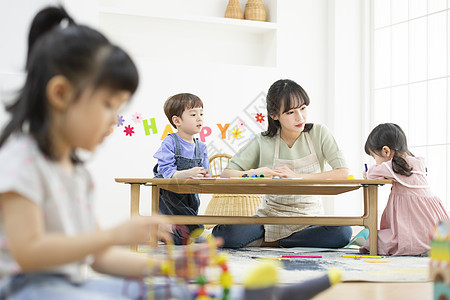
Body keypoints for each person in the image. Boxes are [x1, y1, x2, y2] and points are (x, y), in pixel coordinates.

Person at [0, 7, 209, 299]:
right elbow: (30, 254)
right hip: (24, 288)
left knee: (170, 291)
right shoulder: (21, 162)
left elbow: (100, 258)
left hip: (67, 286)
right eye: (109, 105)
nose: (114, 119)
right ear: (60, 94)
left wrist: (170, 267)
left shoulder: (77, 175)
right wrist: (113, 235)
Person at [212, 79, 352, 249]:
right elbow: (227, 174)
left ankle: (274, 243)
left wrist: (297, 176)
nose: (300, 117)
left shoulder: (319, 133)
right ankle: (286, 241)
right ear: (274, 115)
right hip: (270, 217)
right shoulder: (263, 141)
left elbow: (342, 172)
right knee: (223, 234)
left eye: (303, 108)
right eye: (290, 112)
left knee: (342, 232)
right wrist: (257, 173)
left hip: (309, 218)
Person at [360, 123, 448, 256]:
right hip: (436, 228)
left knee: (373, 240)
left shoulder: (393, 165)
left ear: (386, 151)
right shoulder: (417, 162)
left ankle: (419, 247)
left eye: (374, 157)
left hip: (413, 231)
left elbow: (372, 174)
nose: (375, 161)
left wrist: (367, 173)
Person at [153, 93, 210, 245]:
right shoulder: (170, 142)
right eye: (193, 114)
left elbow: (206, 173)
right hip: (170, 191)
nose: (200, 118)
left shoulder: (201, 147)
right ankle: (199, 229)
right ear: (177, 120)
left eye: (201, 113)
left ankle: (163, 233)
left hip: (190, 192)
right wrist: (189, 173)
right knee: (182, 212)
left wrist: (204, 175)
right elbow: (166, 172)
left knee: (181, 240)